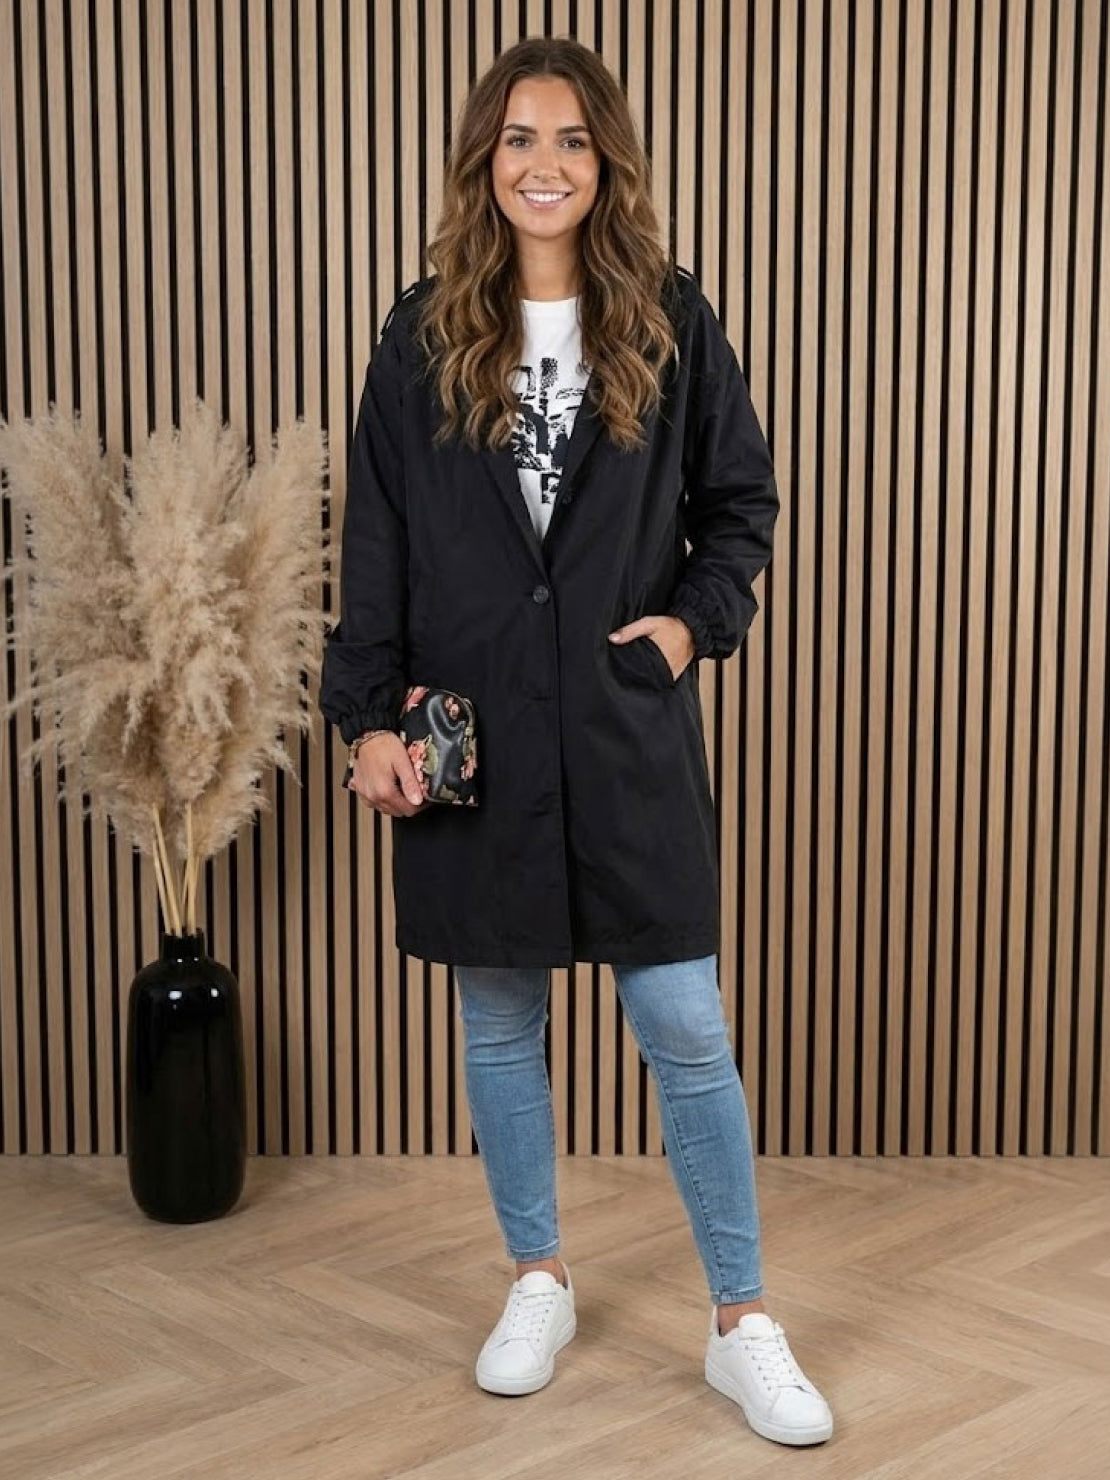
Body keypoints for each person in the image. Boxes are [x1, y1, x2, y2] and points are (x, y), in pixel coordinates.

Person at [318, 36, 833, 1449]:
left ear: (605, 168)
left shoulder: (670, 319)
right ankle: (534, 1278)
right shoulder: (419, 333)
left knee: (683, 1026)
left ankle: (741, 1322)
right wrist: (364, 715)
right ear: (484, 162)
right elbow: (378, 538)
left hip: (620, 730)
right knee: (499, 1022)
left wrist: (687, 628)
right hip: (469, 727)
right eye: (517, 139)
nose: (543, 163)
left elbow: (740, 503)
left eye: (571, 141)